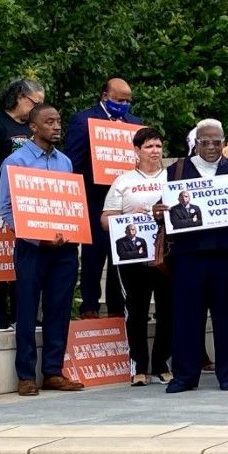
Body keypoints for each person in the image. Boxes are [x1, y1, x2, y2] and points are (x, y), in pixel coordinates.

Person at [156, 119, 228, 393]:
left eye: (217, 142)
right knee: (186, 317)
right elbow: (164, 207)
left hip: (227, 253)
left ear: (225, 142)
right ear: (195, 144)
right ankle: (184, 377)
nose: (211, 147)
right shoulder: (177, 171)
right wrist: (158, 211)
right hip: (188, 255)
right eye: (205, 142)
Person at [0, 104, 84, 396]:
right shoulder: (15, 162)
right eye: (50, 121)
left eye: (59, 120)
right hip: (31, 249)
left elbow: (69, 205)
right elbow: (7, 210)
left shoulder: (66, 163)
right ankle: (25, 376)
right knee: (25, 309)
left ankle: (53, 371)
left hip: (64, 249)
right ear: (33, 127)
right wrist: (37, 238)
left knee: (59, 309)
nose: (57, 126)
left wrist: (72, 231)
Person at [65, 78, 142, 319]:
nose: (125, 104)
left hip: (126, 203)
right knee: (93, 256)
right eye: (120, 100)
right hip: (95, 201)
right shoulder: (84, 120)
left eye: (128, 100)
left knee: (122, 255)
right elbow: (73, 163)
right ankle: (89, 307)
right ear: (104, 96)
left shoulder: (135, 124)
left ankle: (118, 310)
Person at [101, 127, 172, 386]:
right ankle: (139, 366)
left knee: (168, 309)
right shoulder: (123, 181)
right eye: (149, 147)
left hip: (166, 256)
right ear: (136, 151)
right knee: (137, 311)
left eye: (158, 146)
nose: (155, 151)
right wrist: (130, 218)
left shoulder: (172, 177)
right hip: (133, 257)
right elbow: (105, 220)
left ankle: (162, 363)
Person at [0, 78, 45, 332]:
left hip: (28, 205)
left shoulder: (34, 128)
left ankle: (25, 314)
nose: (37, 109)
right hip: (1, 203)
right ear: (20, 97)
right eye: (35, 103)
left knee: (25, 263)